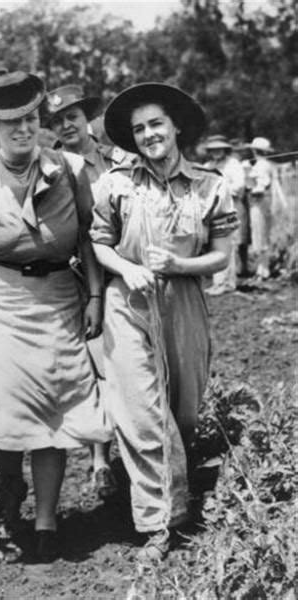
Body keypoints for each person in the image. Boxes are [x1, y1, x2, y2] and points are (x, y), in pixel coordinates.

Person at [0, 70, 112, 563]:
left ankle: (47, 522)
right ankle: (8, 485)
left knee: (53, 409)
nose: (22, 130)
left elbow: (89, 237)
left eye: (31, 119)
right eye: (10, 122)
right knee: (3, 409)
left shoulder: (73, 169)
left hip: (60, 298)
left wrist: (96, 297)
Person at [90, 83, 238, 562]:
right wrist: (126, 267)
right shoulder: (117, 183)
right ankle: (158, 523)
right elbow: (99, 242)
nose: (149, 134)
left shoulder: (210, 185)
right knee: (140, 410)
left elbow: (221, 256)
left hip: (184, 300)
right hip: (128, 300)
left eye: (156, 124)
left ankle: (185, 490)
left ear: (176, 126)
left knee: (185, 408)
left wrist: (180, 266)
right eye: (139, 129)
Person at [46, 84, 130, 501]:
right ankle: (101, 460)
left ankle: (138, 448)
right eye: (58, 121)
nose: (66, 125)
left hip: (128, 270)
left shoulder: (121, 159)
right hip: (85, 275)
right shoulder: (55, 168)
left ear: (87, 118)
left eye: (72, 116)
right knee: (98, 364)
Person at [203, 135, 245, 294]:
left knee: (228, 243)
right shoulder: (208, 165)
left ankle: (228, 283)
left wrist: (220, 189)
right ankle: (218, 282)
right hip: (213, 210)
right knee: (215, 244)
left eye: (218, 149)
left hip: (230, 207)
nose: (216, 152)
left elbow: (239, 185)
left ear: (225, 149)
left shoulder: (233, 164)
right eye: (213, 150)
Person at [246, 137, 277, 280]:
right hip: (259, 202)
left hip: (260, 202)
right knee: (259, 233)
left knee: (260, 233)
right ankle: (261, 268)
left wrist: (251, 189)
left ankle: (264, 270)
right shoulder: (262, 164)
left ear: (254, 150)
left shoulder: (262, 165)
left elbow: (262, 186)